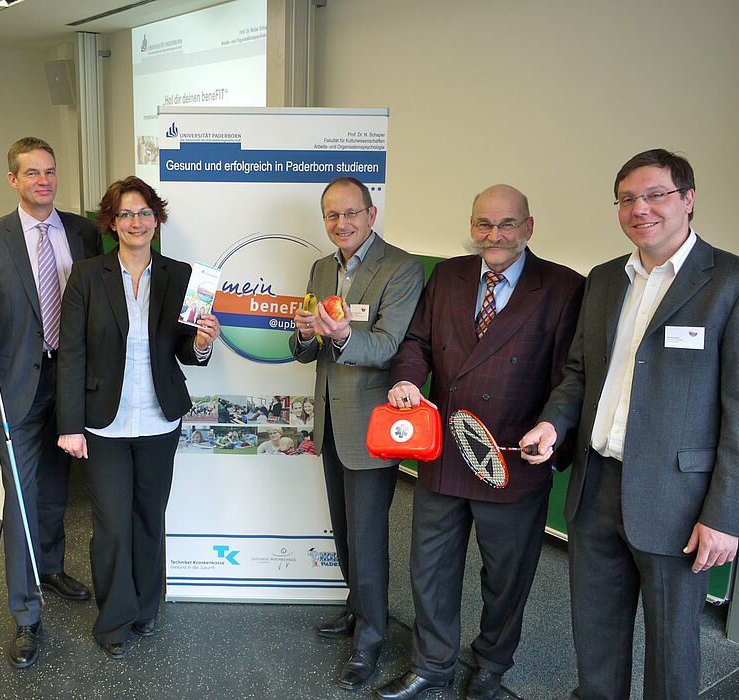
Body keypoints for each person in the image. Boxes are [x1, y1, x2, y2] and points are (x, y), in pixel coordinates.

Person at [521, 149, 739, 699]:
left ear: (688, 200)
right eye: (627, 199)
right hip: (596, 488)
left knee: (672, 653)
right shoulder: (604, 281)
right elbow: (578, 373)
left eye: (655, 194)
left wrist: (725, 515)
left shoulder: (728, 283)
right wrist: (553, 423)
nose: (640, 208)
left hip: (677, 499)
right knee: (595, 638)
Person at [375, 185, 584, 699]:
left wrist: (554, 428)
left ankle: (491, 665)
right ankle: (433, 663)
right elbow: (418, 342)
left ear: (529, 227)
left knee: (506, 580)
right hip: (444, 452)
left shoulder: (563, 287)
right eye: (483, 224)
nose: (494, 235)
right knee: (429, 569)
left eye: (507, 224)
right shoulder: (447, 274)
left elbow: (570, 376)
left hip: (512, 460)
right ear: (472, 226)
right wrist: (406, 378)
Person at [56, 176, 219, 660]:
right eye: (125, 214)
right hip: (103, 423)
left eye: (144, 212)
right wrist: (69, 424)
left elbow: (186, 351)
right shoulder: (87, 275)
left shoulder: (180, 275)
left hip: (159, 420)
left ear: (156, 218)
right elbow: (71, 353)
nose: (136, 222)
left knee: (149, 518)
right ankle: (114, 618)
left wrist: (203, 343)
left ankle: (146, 608)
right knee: (110, 525)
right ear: (111, 222)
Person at [0, 137, 101, 668]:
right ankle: (25, 614)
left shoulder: (84, 233)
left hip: (71, 380)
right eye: (32, 173)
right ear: (13, 180)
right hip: (19, 382)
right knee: (21, 499)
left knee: (55, 488)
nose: (44, 181)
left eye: (50, 172)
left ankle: (51, 568)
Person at [290, 176, 423, 690]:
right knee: (345, 532)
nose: (341, 224)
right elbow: (309, 350)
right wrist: (304, 336)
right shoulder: (322, 267)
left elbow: (390, 344)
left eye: (350, 213)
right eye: (331, 216)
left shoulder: (402, 267)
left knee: (367, 538)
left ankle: (370, 640)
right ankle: (356, 607)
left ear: (371, 214)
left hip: (372, 427)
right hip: (329, 418)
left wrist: (343, 335)